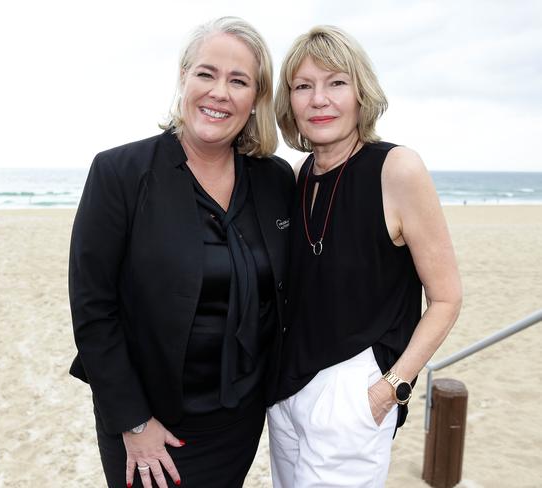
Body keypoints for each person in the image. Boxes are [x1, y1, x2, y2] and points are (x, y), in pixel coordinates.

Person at [68, 17, 294, 488]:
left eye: (239, 81)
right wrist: (133, 422)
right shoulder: (120, 173)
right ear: (183, 78)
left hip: (237, 421)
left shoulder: (275, 179)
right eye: (206, 74)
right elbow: (93, 310)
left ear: (255, 100)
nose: (219, 92)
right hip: (150, 425)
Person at [267, 26, 463, 487]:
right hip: (286, 391)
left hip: (354, 391)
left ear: (361, 93)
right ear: (289, 103)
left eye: (336, 82)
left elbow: (447, 299)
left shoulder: (397, 168)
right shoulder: (297, 175)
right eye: (303, 86)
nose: (319, 99)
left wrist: (390, 387)